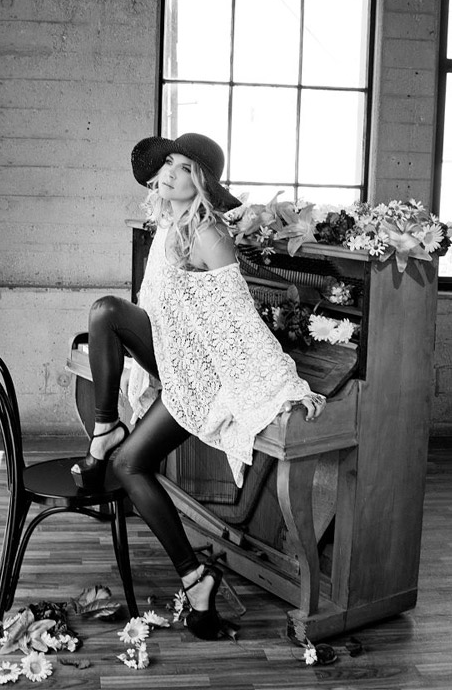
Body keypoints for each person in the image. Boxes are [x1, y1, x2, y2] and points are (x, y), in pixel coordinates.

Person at [71, 132, 326, 640]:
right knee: (105, 314)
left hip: (200, 377)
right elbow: (156, 310)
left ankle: (194, 579)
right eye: (169, 163)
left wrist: (287, 387)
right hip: (171, 356)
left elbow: (240, 322)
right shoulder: (167, 224)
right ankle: (107, 430)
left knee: (127, 464)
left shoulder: (209, 236)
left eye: (185, 168)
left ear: (202, 181)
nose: (170, 173)